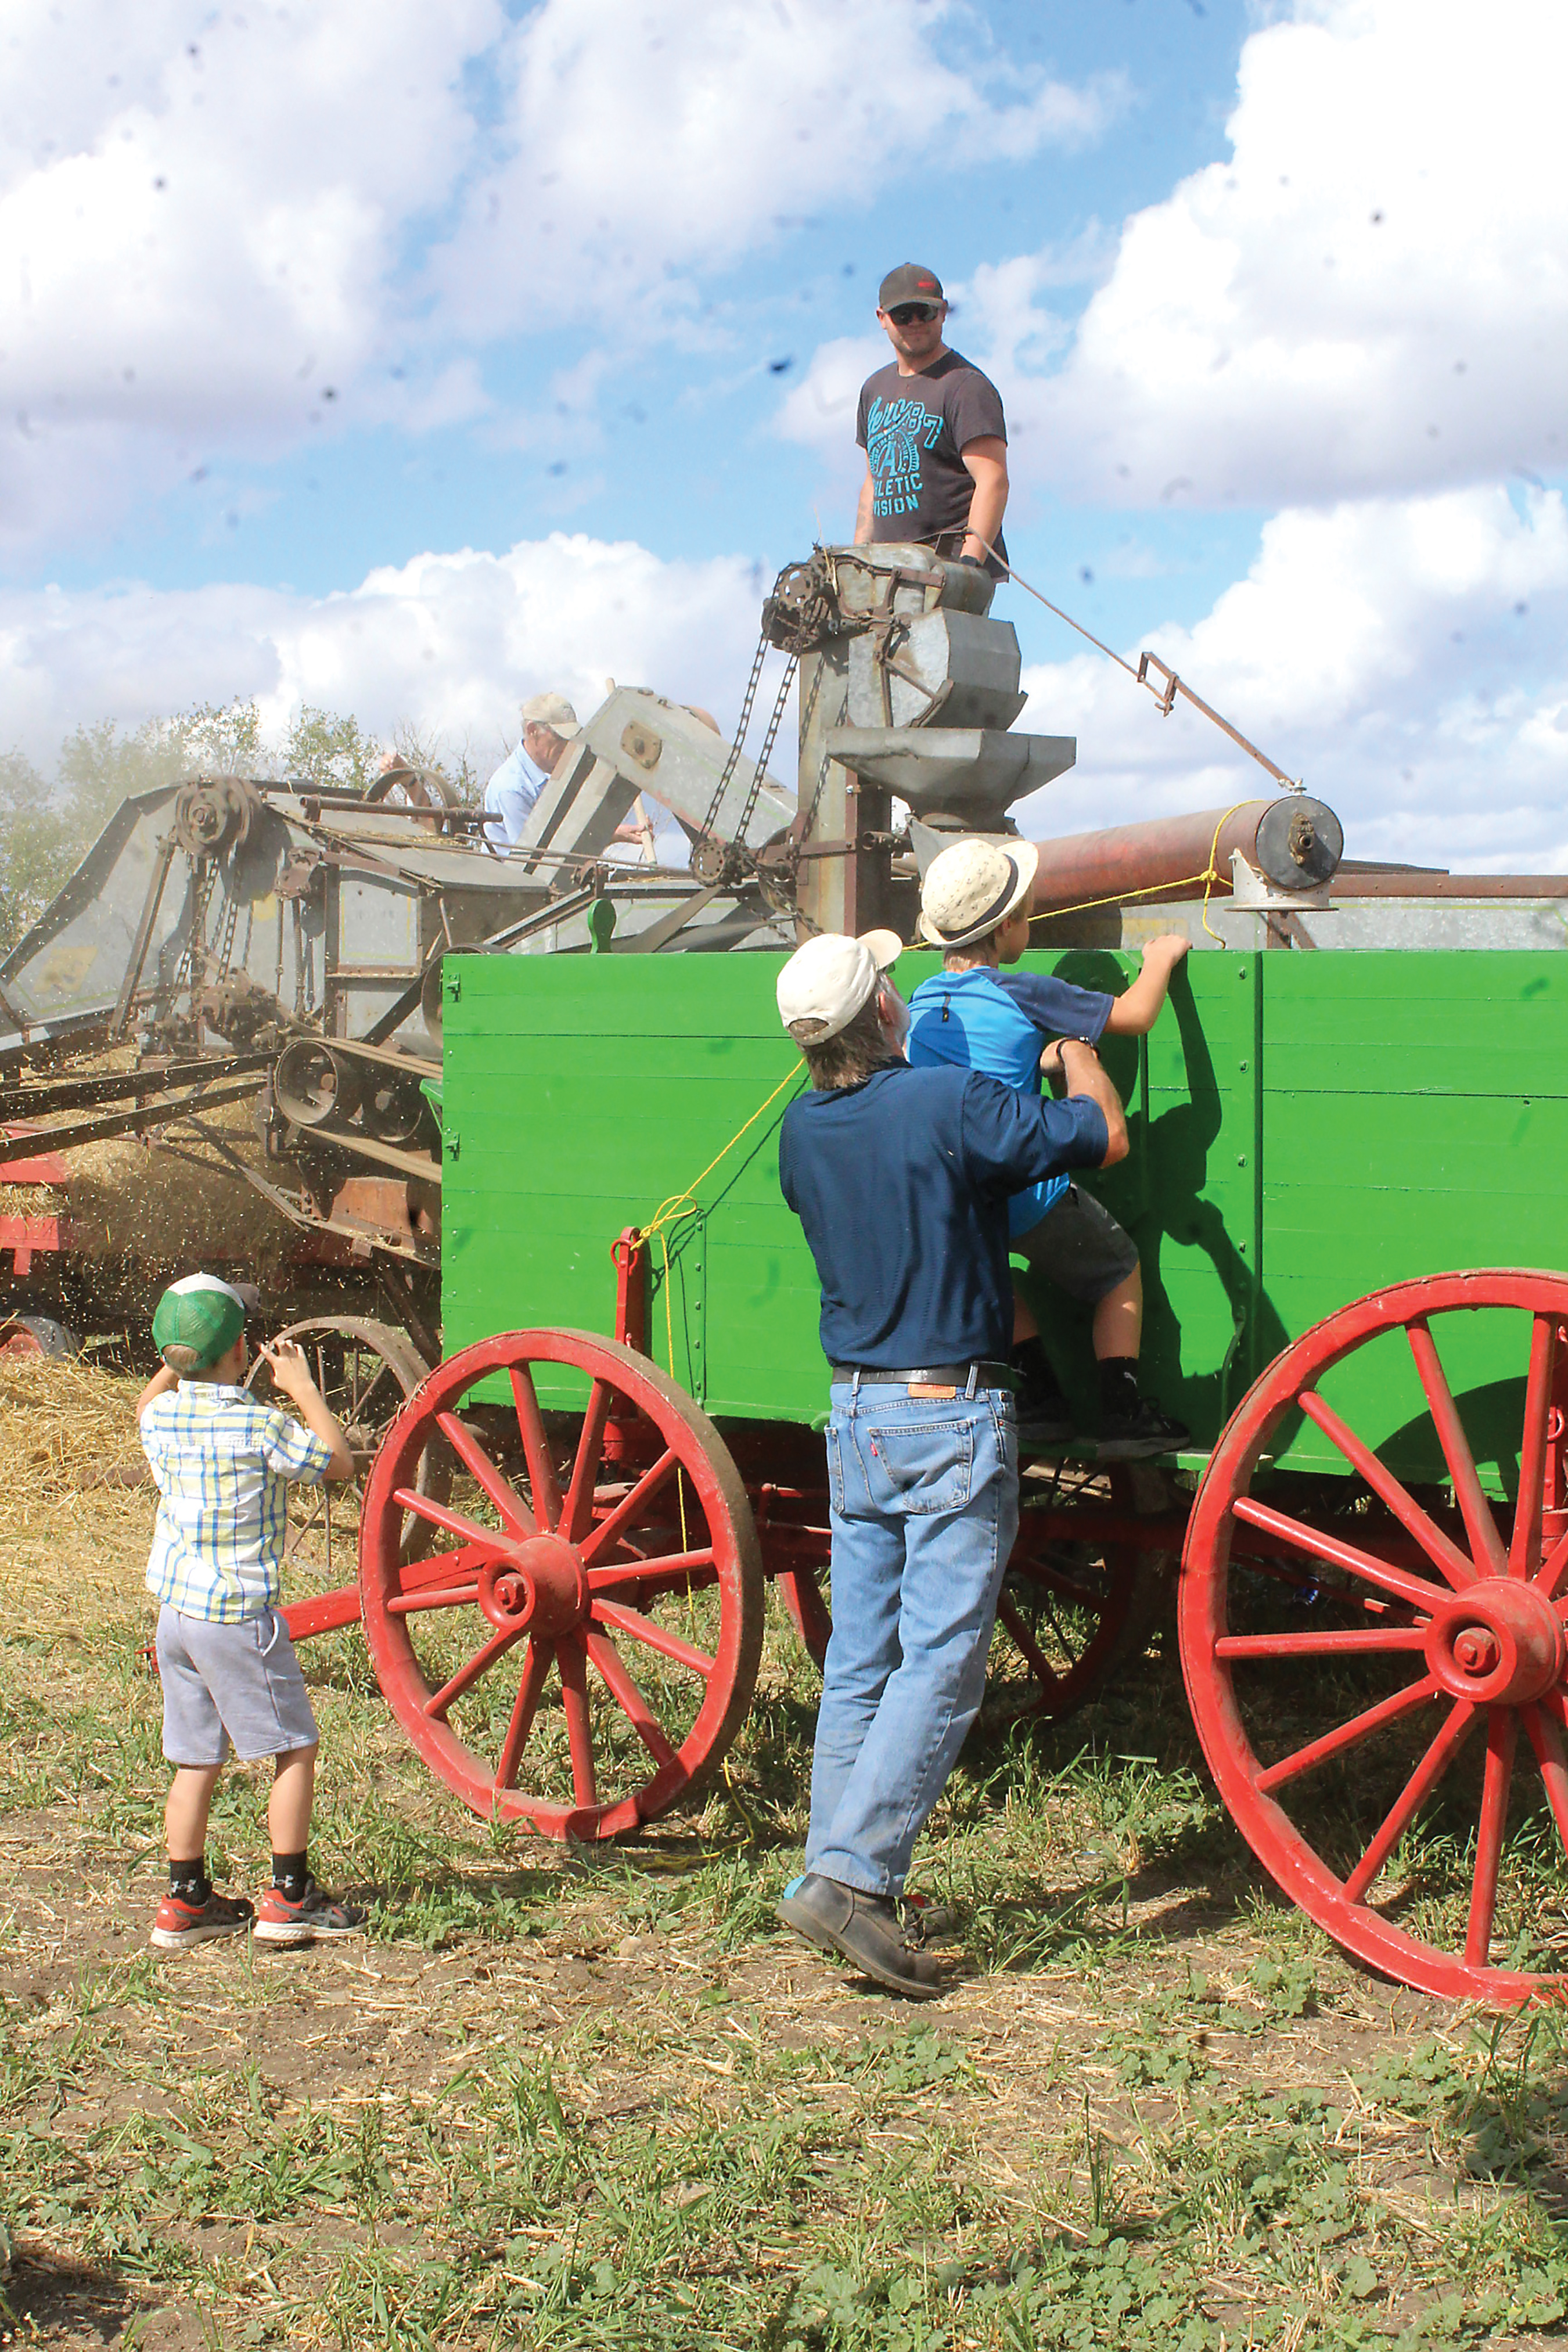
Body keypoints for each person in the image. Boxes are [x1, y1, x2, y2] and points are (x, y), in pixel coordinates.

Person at [774, 929, 1127, 1997]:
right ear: (886, 1015)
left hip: (860, 1416)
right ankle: (853, 1880)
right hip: (950, 1414)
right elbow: (1098, 1140)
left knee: (862, 1662)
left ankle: (826, 1872)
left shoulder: (801, 1132)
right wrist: (1080, 1056)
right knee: (942, 1661)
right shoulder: (947, 1100)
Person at [908, 836, 1191, 1459]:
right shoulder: (1023, 991)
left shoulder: (922, 1002)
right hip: (1023, 1190)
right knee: (1118, 1268)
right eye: (1028, 914)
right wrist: (1161, 959)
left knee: (989, 1270)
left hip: (956, 1196)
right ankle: (1121, 1406)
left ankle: (1037, 1396)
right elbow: (1137, 1015)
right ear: (1008, 928)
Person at [136, 1273, 366, 1952]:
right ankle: (290, 1898)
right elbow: (337, 1464)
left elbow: (147, 1400)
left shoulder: (162, 1417)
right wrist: (303, 1391)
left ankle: (185, 1903)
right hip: (238, 1614)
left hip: (176, 1615)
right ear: (242, 1352)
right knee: (294, 1747)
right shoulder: (260, 1424)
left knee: (195, 1758)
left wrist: (179, 1353)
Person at [854, 263, 1009, 580]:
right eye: (902, 315)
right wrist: (856, 562)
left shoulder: (966, 386)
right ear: (882, 319)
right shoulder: (873, 390)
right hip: (886, 575)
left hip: (947, 568)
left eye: (924, 312)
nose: (914, 323)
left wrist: (967, 568)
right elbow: (874, 481)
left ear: (943, 312)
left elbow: (993, 481)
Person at [481, 691, 581, 848]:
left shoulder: (545, 779)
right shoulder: (512, 788)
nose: (567, 746)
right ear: (532, 730)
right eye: (560, 738)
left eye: (571, 740)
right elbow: (533, 854)